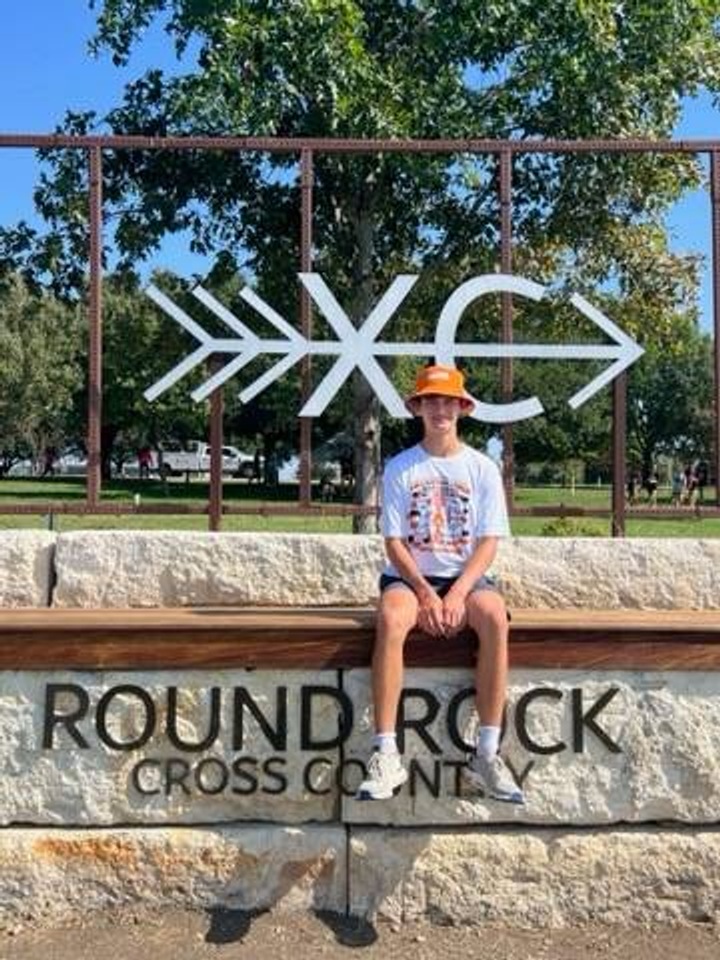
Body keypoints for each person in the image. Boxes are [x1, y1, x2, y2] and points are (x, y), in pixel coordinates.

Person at [356, 363, 523, 805]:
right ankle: (386, 751)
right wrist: (427, 593)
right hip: (412, 579)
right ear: (419, 408)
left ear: (461, 408)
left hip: (464, 578)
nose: (439, 409)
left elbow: (489, 542)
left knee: (494, 619)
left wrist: (459, 592)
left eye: (448, 401)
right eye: (431, 401)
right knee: (391, 618)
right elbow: (393, 542)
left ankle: (487, 752)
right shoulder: (401, 467)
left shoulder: (481, 468)